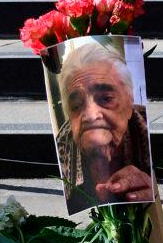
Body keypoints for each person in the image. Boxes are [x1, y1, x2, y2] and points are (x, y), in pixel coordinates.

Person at [56, 40, 154, 214]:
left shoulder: (147, 130)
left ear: (129, 102)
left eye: (106, 98)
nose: (91, 116)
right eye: (77, 105)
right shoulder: (62, 146)